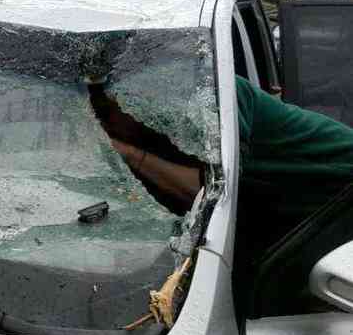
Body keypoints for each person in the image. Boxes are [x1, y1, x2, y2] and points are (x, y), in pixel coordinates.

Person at [90, 75, 353, 253]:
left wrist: (128, 154)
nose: (102, 126)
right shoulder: (146, 130)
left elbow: (214, 195)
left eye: (105, 113)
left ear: (130, 97)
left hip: (341, 188)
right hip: (294, 213)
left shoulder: (215, 91)